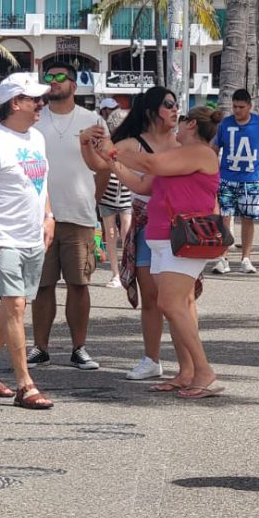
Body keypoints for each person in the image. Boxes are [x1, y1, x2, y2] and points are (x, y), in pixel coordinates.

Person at [95, 105, 224, 398]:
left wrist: (112, 149)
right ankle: (187, 371)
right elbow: (141, 183)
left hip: (183, 239)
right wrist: (110, 159)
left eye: (181, 122)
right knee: (173, 305)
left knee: (171, 303)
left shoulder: (201, 152)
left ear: (192, 125)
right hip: (164, 238)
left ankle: (203, 371)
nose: (175, 127)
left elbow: (150, 165)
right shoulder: (177, 157)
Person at [0, 72, 56, 410]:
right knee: (16, 305)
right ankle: (25, 384)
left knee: (10, 307)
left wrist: (49, 216)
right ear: (15, 103)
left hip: (34, 235)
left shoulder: (36, 138)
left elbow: (42, 183)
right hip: (3, 238)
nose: (41, 105)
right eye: (35, 100)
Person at [82, 87, 182, 382]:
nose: (175, 110)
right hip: (146, 223)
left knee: (177, 299)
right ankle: (152, 359)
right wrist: (85, 142)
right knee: (151, 297)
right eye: (168, 105)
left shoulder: (183, 143)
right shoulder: (132, 144)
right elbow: (98, 164)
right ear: (152, 111)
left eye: (176, 105)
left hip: (178, 226)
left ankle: (187, 363)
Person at [26, 62, 108, 371]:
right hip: (40, 218)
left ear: (74, 84)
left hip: (80, 216)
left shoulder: (93, 120)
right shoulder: (33, 121)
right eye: (49, 77)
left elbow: (103, 168)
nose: (54, 81)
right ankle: (41, 348)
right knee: (42, 286)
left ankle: (79, 349)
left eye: (61, 77)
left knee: (79, 284)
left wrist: (91, 200)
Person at [211, 88, 259, 274]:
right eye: (234, 107)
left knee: (248, 219)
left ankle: (246, 258)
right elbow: (214, 146)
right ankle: (223, 258)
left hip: (251, 179)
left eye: (241, 107)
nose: (237, 110)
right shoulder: (225, 124)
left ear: (249, 106)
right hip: (227, 177)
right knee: (224, 218)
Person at [98, 169, 132, 289]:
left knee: (126, 234)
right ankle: (115, 274)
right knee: (110, 234)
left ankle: (127, 271)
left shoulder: (129, 150)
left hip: (127, 197)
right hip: (106, 196)